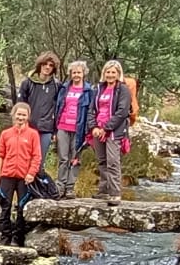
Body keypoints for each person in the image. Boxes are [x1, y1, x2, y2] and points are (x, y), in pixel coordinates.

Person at [0, 102, 40, 247]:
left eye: (23, 115)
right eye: (18, 114)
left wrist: (31, 173)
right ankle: (5, 237)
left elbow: (36, 156)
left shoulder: (33, 134)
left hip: (24, 177)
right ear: (13, 115)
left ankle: (17, 238)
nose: (20, 117)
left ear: (28, 116)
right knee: (5, 207)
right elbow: (1, 155)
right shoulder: (5, 133)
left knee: (22, 207)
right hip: (7, 175)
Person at [89, 59, 133, 206]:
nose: (110, 74)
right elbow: (91, 110)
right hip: (98, 130)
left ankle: (114, 193)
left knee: (113, 161)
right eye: (108, 72)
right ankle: (103, 191)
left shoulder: (123, 90)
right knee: (102, 161)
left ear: (118, 74)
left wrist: (106, 128)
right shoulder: (99, 89)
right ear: (104, 73)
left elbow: (122, 112)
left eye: (113, 72)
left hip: (114, 131)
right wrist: (94, 127)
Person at [52, 61, 94, 197]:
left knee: (75, 158)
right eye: (74, 72)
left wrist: (89, 131)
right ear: (71, 74)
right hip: (62, 127)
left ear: (83, 74)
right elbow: (58, 108)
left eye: (79, 72)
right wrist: (54, 129)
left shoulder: (89, 91)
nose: (76, 75)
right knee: (63, 157)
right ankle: (60, 186)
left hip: (79, 129)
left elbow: (91, 111)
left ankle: (70, 187)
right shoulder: (64, 89)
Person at [18, 52, 62, 173]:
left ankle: (36, 190)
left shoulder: (57, 85)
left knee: (39, 162)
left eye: (51, 65)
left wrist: (55, 131)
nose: (47, 67)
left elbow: (58, 109)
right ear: (39, 65)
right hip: (28, 128)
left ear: (54, 68)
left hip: (46, 129)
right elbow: (20, 105)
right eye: (44, 64)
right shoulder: (28, 83)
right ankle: (24, 191)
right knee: (25, 160)